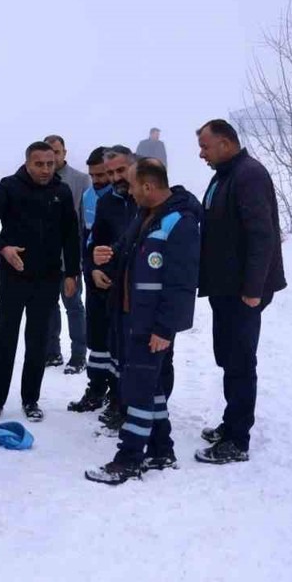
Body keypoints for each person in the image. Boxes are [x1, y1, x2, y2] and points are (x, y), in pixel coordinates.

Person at [85, 158, 201, 484]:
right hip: (131, 318)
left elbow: (182, 283)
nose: (130, 192)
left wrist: (165, 328)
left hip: (152, 325)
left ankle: (129, 458)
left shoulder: (180, 222)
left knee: (137, 390)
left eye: (134, 186)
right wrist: (103, 256)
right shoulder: (145, 216)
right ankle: (162, 450)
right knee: (153, 386)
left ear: (148, 186)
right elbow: (123, 252)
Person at [193, 119, 286, 465]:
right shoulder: (226, 174)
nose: (201, 154)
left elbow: (262, 235)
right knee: (229, 357)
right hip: (226, 286)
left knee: (241, 361)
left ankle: (237, 440)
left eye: (205, 147)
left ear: (227, 143)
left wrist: (253, 289)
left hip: (243, 290)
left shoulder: (249, 175)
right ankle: (230, 422)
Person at [0, 141, 81, 424]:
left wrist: (72, 272)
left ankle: (30, 398)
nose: (46, 169)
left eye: (50, 163)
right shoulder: (10, 187)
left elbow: (71, 234)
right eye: (39, 164)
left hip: (47, 279)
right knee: (5, 337)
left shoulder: (62, 191)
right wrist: (2, 249)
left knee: (38, 340)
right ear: (27, 163)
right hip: (12, 276)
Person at [78, 146, 137, 430]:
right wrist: (94, 268)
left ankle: (137, 407)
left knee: (136, 352)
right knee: (109, 344)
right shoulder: (106, 202)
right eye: (109, 172)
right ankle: (114, 398)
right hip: (110, 288)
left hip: (141, 289)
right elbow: (93, 242)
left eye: (119, 171)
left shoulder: (151, 197)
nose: (114, 177)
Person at [43, 135, 89, 371]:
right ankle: (52, 352)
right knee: (49, 306)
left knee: (73, 305)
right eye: (49, 152)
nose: (54, 156)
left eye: (57, 151)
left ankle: (79, 355)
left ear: (64, 152)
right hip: (44, 260)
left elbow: (85, 222)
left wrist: (80, 258)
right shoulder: (38, 180)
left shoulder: (81, 180)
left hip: (70, 258)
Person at [67, 147, 110, 385]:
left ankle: (116, 393)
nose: (97, 181)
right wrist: (86, 266)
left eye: (102, 175)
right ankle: (96, 386)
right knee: (96, 334)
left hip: (115, 276)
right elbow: (85, 234)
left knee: (115, 338)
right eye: (93, 175)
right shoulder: (88, 196)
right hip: (92, 272)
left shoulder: (125, 196)